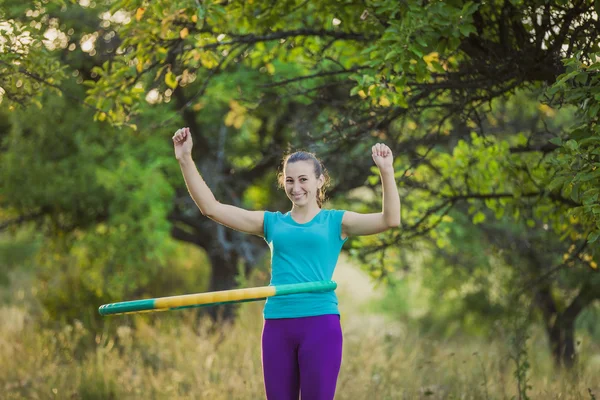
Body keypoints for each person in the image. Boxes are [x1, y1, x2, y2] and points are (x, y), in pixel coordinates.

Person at [172, 126, 401, 400]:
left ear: (320, 181)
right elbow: (211, 208)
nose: (296, 187)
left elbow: (390, 220)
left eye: (303, 179)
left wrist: (386, 171)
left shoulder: (336, 222)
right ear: (283, 182)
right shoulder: (271, 223)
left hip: (320, 324)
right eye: (290, 180)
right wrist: (185, 159)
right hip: (278, 325)